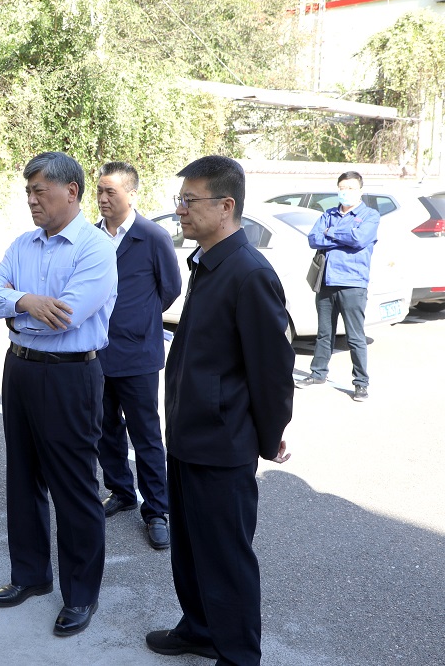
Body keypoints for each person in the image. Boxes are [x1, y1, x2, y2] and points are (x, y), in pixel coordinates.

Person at [145, 156, 294, 665]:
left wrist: (268, 435)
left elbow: (272, 372)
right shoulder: (209, 263)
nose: (180, 210)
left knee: (226, 559)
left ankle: (238, 656)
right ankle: (201, 629)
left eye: (190, 201)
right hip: (189, 436)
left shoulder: (249, 273)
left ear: (226, 206)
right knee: (190, 549)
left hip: (222, 444)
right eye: (180, 200)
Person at [0, 151, 117, 637]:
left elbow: (67, 316)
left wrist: (16, 312)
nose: (32, 200)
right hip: (20, 370)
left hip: (70, 376)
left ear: (71, 191)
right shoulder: (23, 244)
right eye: (28, 192)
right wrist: (26, 301)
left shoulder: (94, 248)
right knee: (22, 477)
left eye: (40, 191)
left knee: (74, 486)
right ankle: (31, 575)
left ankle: (80, 594)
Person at [93, 161, 182, 550]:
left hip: (138, 355)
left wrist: (140, 318)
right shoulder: (91, 236)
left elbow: (170, 289)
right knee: (104, 429)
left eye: (110, 191)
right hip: (96, 352)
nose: (102, 198)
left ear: (131, 194)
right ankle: (121, 491)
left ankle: (157, 510)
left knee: (145, 434)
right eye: (99, 190)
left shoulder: (152, 236)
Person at [295, 171, 379, 402]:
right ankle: (317, 374)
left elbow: (359, 239)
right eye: (342, 188)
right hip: (326, 282)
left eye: (351, 188)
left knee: (355, 337)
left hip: (353, 283)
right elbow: (313, 239)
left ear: (360, 191)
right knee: (324, 333)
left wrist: (330, 233)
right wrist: (343, 236)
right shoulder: (328, 214)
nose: (346, 192)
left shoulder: (370, 215)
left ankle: (361, 383)